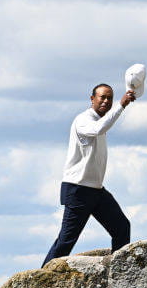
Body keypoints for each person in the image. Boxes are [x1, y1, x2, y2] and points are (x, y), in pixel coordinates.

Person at [42, 84, 136, 266]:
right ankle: (40, 278)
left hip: (96, 190)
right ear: (92, 99)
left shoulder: (102, 121)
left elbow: (103, 125)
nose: (106, 101)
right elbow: (98, 129)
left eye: (110, 98)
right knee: (66, 240)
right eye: (102, 97)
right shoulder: (84, 120)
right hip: (78, 189)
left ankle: (119, 273)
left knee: (122, 227)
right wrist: (121, 105)